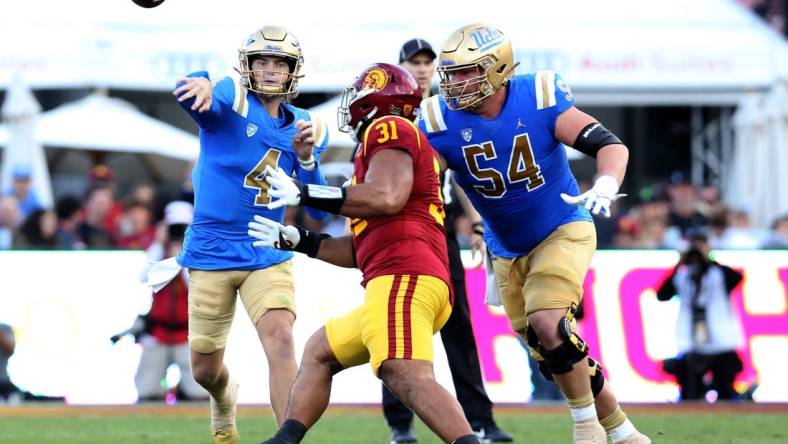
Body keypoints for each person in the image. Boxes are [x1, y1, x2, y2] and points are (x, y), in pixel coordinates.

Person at [418, 24, 650, 444]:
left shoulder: (538, 96)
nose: (455, 82)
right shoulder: (437, 119)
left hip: (562, 228)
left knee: (549, 322)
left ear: (498, 68)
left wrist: (606, 184)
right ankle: (623, 431)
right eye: (451, 73)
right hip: (505, 248)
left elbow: (610, 145)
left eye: (468, 72)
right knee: (554, 350)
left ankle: (586, 428)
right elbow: (423, 183)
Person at [250, 63, 482, 444]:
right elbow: (361, 250)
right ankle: (284, 440)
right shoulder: (377, 158)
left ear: (372, 98)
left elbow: (387, 197)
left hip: (406, 277)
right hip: (404, 279)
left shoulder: (388, 127)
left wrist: (305, 191)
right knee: (320, 351)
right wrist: (301, 240)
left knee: (403, 370)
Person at [171, 25, 329, 444]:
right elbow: (188, 92)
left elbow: (316, 209)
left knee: (281, 338)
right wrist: (201, 79)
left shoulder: (305, 124)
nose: (272, 70)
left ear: (293, 70)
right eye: (263, 61)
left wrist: (309, 159)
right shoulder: (231, 98)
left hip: (266, 245)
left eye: (280, 63)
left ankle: (287, 438)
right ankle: (225, 397)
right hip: (211, 249)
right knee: (204, 369)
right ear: (248, 66)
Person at [380, 37, 512, 444]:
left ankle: (481, 421)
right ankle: (400, 424)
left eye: (426, 62)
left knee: (460, 326)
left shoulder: (444, 112)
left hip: (437, 230)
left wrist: (476, 225)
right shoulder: (385, 110)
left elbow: (464, 175)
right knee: (396, 332)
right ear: (401, 64)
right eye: (413, 61)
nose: (421, 68)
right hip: (397, 233)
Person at [128, 201, 209, 402]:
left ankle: (181, 392)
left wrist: (181, 258)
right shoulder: (158, 254)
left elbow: (196, 285)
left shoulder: (200, 252)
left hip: (189, 335)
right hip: (158, 335)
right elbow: (145, 278)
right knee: (147, 392)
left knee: (199, 394)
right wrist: (159, 243)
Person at [657, 229, 744, 401]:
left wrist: (709, 258)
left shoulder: (718, 273)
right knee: (691, 393)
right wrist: (680, 262)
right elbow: (662, 295)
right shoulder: (682, 275)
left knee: (726, 390)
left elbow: (737, 278)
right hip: (692, 344)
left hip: (721, 342)